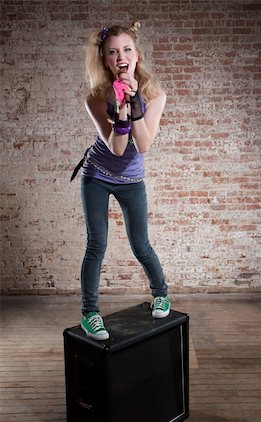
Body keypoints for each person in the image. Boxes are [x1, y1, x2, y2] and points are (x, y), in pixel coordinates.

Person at [72, 21, 170, 340]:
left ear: (137, 56)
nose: (120, 56)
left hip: (132, 180)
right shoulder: (95, 98)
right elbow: (115, 148)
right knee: (96, 245)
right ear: (105, 60)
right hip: (97, 176)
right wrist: (121, 111)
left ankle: (161, 294)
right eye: (112, 52)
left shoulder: (155, 96)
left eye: (126, 49)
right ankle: (90, 314)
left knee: (140, 243)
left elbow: (142, 145)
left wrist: (135, 104)